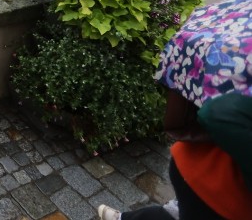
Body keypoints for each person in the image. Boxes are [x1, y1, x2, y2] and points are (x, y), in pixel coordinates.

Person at [97, 91, 252, 220]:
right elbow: (216, 113)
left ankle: (123, 219)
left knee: (176, 213)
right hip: (212, 185)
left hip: (198, 170)